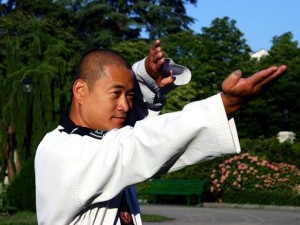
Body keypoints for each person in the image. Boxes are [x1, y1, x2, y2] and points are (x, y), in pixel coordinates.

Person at [34, 40, 287, 225]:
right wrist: (226, 104)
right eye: (116, 94)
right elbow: (142, 142)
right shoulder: (66, 152)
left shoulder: (87, 137)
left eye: (129, 96)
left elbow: (130, 125)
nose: (125, 105)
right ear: (80, 91)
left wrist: (145, 76)